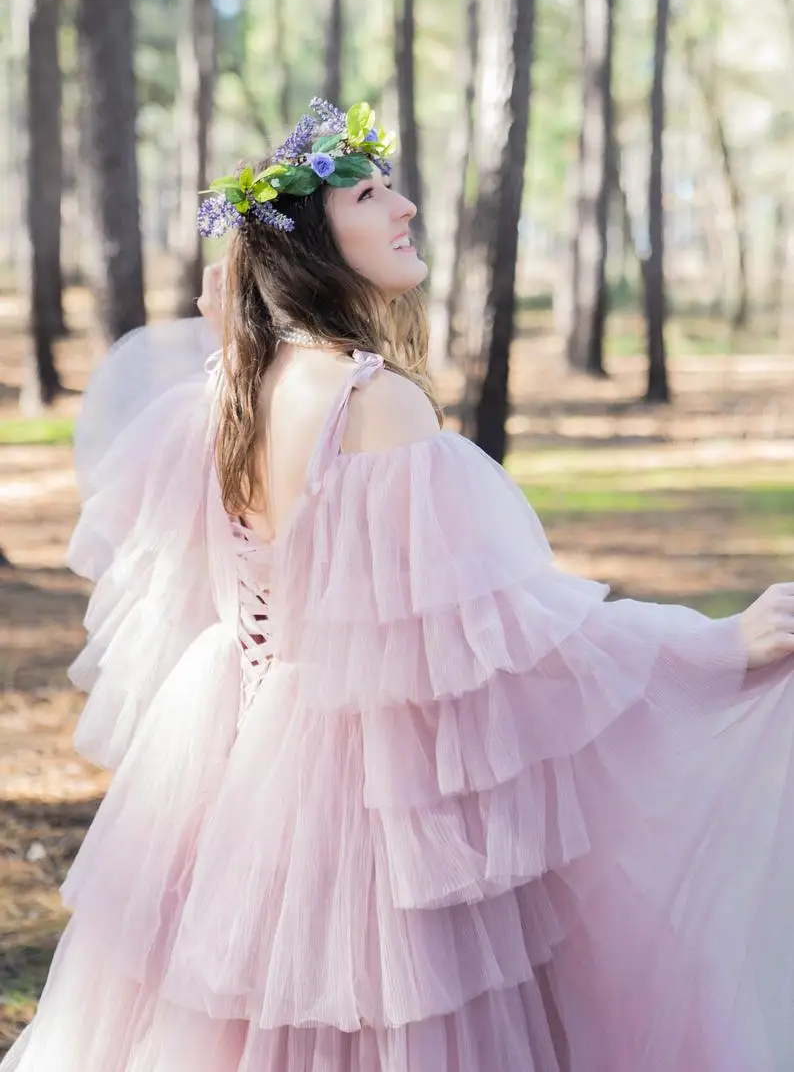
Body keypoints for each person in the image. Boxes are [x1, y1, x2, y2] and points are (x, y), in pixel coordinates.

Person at [3, 96, 794, 1072]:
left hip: (230, 766)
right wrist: (712, 645)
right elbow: (506, 631)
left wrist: (232, 319)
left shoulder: (231, 393)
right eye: (371, 193)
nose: (405, 207)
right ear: (311, 244)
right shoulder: (374, 405)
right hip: (358, 790)